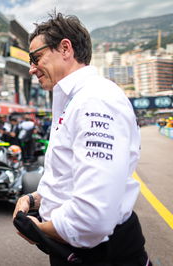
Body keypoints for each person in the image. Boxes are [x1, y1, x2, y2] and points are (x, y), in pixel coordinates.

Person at [13, 13, 152, 265]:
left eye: (36, 58)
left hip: (100, 255)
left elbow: (93, 216)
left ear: (65, 48)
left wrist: (38, 230)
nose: (31, 68)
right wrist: (33, 199)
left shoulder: (95, 99)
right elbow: (68, 177)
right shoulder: (71, 98)